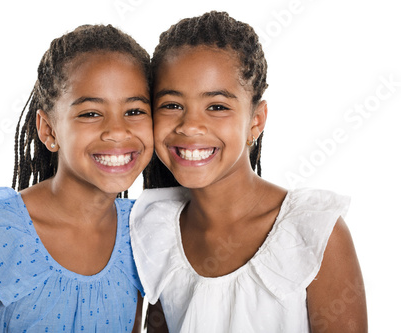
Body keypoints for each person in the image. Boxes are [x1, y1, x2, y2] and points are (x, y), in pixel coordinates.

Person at [130, 11, 367, 333]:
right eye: (172, 105)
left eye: (217, 106)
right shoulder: (154, 230)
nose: (190, 126)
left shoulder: (313, 232)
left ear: (255, 121)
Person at [0, 24, 154, 332]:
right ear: (48, 131)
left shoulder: (141, 234)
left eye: (134, 111)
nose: (117, 131)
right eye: (90, 113)